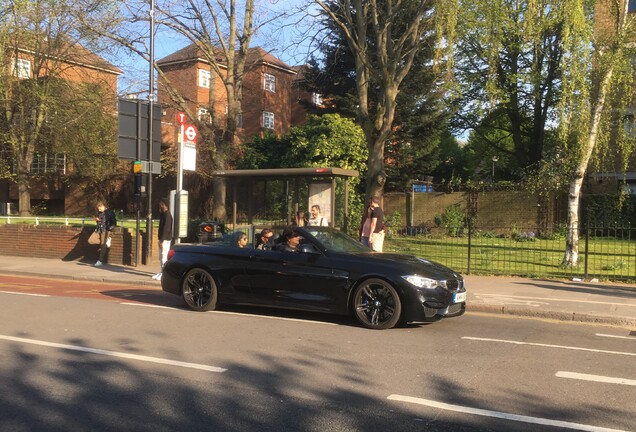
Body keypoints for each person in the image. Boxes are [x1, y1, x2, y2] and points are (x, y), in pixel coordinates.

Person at [152, 199, 173, 280]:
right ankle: (162, 272)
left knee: (164, 256)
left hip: (165, 240)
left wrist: (162, 240)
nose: (160, 205)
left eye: (161, 204)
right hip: (162, 239)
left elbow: (166, 229)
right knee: (161, 257)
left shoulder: (167, 215)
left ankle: (164, 274)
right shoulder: (163, 214)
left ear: (165, 205)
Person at [94, 201, 117, 267]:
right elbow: (100, 221)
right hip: (99, 229)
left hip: (106, 230)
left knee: (102, 245)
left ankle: (100, 261)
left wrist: (109, 228)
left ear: (102, 206)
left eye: (99, 208)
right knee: (91, 240)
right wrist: (97, 220)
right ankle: (106, 241)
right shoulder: (99, 213)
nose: (99, 210)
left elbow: (114, 223)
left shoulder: (110, 212)